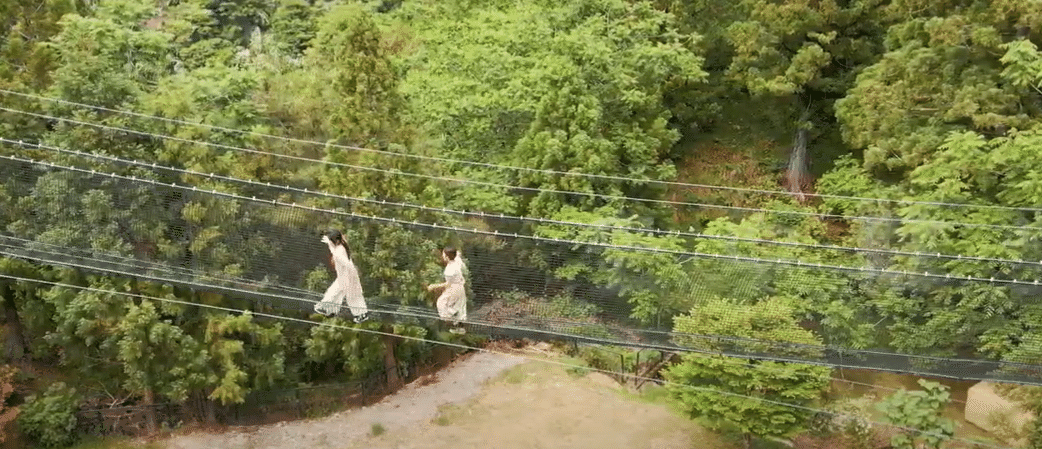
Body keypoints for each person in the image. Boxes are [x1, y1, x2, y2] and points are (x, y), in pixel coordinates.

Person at [314, 229, 369, 323]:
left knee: (352, 296)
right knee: (335, 292)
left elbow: (346, 263)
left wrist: (352, 277)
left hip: (348, 277)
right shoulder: (340, 246)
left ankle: (361, 314)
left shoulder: (339, 250)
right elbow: (334, 251)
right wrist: (329, 244)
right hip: (343, 276)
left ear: (335, 241)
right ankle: (330, 310)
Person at [426, 246, 467, 334]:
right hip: (460, 288)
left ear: (447, 257)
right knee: (459, 306)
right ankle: (459, 327)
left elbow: (447, 284)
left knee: (441, 303)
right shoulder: (457, 261)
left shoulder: (449, 270)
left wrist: (433, 286)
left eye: (443, 255)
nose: (442, 256)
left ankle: (452, 323)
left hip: (453, 288)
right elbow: (458, 254)